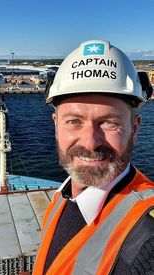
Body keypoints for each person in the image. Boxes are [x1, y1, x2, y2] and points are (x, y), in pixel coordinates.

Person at [33, 40, 154, 275]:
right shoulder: (61, 198)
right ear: (56, 127)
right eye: (74, 121)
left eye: (109, 122)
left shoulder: (147, 237)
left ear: (135, 129)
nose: (90, 142)